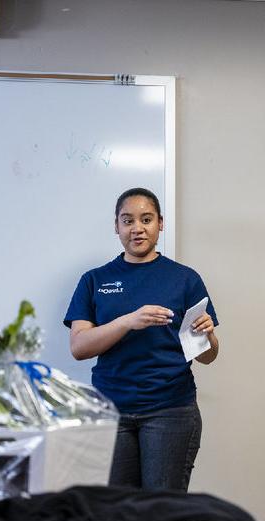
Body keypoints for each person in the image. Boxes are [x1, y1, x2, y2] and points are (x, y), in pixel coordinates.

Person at [64, 187, 219, 492]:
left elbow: (207, 356)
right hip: (111, 411)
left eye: (146, 219)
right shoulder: (94, 279)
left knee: (161, 512)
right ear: (117, 226)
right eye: (128, 220)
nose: (137, 228)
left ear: (160, 223)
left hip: (170, 411)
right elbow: (79, 348)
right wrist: (127, 321)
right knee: (119, 512)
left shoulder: (185, 279)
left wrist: (209, 335)